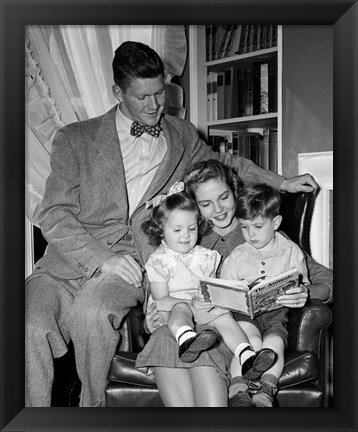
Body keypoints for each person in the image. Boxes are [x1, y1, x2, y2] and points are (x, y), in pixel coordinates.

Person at [25, 40, 319, 408]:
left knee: (91, 313)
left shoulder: (179, 135)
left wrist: (282, 181)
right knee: (28, 326)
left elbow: (224, 167)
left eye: (160, 94)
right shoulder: (75, 138)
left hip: (132, 261)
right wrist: (100, 258)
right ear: (118, 93)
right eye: (142, 97)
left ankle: (92, 410)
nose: (154, 106)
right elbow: (53, 213)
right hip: (67, 259)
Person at [142, 159, 333, 407]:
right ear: (195, 207)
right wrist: (149, 320)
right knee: (165, 339)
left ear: (235, 190)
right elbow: (157, 291)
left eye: (224, 197)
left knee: (205, 345)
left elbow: (328, 279)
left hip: (231, 334)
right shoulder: (185, 235)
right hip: (179, 328)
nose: (219, 209)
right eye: (205, 204)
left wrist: (304, 293)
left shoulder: (265, 235)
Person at [140, 181, 276, 378]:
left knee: (223, 315)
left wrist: (212, 301)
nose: (186, 236)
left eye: (192, 229)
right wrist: (191, 302)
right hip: (174, 311)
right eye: (177, 230)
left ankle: (246, 355)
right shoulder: (159, 261)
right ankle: (186, 339)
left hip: (201, 309)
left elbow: (210, 287)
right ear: (161, 229)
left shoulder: (205, 257)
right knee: (181, 309)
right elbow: (162, 300)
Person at [220, 183, 310, 407]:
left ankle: (266, 389)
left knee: (273, 345)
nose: (250, 234)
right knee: (250, 341)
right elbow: (224, 291)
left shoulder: (291, 251)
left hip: (277, 315)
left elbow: (303, 284)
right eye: (244, 227)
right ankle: (238, 390)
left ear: (276, 223)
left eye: (258, 226)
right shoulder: (237, 255)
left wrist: (300, 291)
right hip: (245, 315)